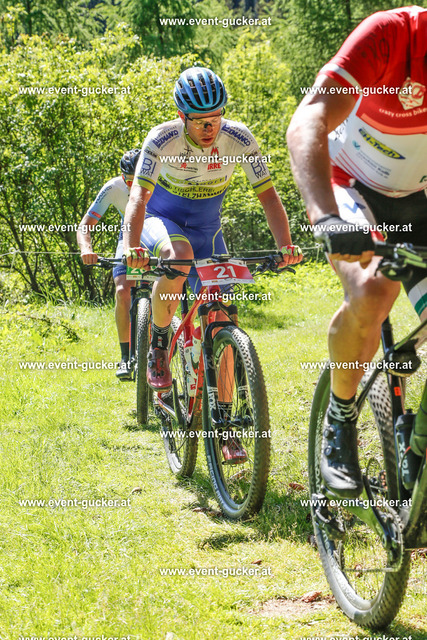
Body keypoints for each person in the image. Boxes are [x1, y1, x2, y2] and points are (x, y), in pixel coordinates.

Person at [287, 6, 427, 498]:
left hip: (421, 200)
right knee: (371, 290)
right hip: (352, 186)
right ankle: (340, 419)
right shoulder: (392, 35)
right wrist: (326, 217)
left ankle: (417, 442)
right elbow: (309, 119)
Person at [123, 66, 302, 392]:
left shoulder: (239, 138)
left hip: (208, 232)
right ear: (182, 116)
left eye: (216, 118)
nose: (209, 128)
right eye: (200, 121)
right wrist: (131, 247)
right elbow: (138, 198)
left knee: (222, 317)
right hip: (162, 222)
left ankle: (227, 417)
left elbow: (268, 196)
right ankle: (158, 346)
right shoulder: (161, 139)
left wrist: (285, 245)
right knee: (179, 256)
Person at [77, 149, 141, 380]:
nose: (133, 186)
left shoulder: (161, 181)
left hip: (159, 233)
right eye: (129, 181)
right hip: (129, 235)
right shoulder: (114, 187)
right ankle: (125, 356)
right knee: (123, 291)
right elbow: (85, 224)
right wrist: (86, 249)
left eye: (137, 180)